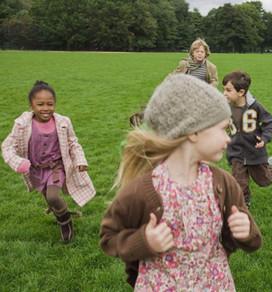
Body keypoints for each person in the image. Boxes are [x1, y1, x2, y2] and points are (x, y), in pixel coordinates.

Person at [100, 74, 262, 290]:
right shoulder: (141, 190)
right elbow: (109, 238)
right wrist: (144, 241)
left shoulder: (223, 183)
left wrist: (245, 231)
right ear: (193, 132)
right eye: (223, 128)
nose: (228, 138)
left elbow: (252, 240)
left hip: (214, 284)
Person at [1, 81, 95, 243]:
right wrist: (18, 163)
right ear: (31, 106)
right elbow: (7, 145)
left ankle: (66, 223)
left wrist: (80, 160)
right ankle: (60, 213)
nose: (46, 108)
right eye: (40, 104)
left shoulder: (63, 122)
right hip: (36, 170)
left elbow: (73, 143)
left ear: (55, 104)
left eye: (50, 104)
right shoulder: (22, 125)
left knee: (53, 196)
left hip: (56, 167)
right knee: (48, 197)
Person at [223, 71, 272, 208]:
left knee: (264, 181)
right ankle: (244, 204)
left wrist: (264, 138)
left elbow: (270, 123)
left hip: (254, 151)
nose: (224, 93)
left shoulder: (255, 107)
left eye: (228, 90)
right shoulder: (225, 106)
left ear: (241, 92)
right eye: (224, 89)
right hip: (236, 152)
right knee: (239, 182)